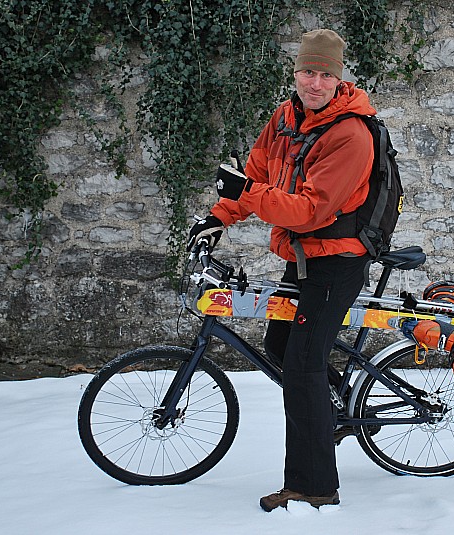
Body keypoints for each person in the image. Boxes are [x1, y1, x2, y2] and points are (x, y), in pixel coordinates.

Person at [187, 28, 377, 512]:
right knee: (280, 344)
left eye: (324, 74)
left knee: (304, 366)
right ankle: (339, 410)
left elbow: (310, 211)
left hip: (338, 263)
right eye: (307, 71)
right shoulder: (286, 118)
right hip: (304, 258)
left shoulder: (351, 135)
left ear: (338, 79)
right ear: (295, 73)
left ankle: (314, 487)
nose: (314, 82)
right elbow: (252, 176)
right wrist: (217, 218)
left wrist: (242, 194)